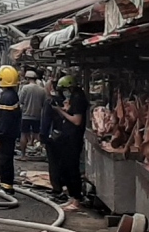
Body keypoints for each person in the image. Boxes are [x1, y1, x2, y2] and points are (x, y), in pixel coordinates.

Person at [52, 75, 88, 212]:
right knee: (66, 167)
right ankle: (73, 197)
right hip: (68, 137)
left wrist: (60, 111)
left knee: (72, 169)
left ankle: (76, 200)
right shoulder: (75, 97)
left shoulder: (78, 99)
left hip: (74, 138)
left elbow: (77, 120)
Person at [0, 65, 22, 195]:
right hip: (11, 134)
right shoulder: (12, 95)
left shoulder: (6, 96)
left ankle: (6, 186)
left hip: (6, 135)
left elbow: (4, 119)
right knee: (6, 159)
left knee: (3, 160)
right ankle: (6, 184)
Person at [40, 76, 66, 202]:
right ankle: (65, 186)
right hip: (67, 136)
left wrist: (43, 137)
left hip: (53, 137)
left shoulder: (50, 102)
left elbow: (45, 121)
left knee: (54, 163)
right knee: (64, 162)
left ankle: (57, 189)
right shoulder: (66, 100)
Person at [18, 70, 47, 160]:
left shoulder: (25, 88)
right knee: (37, 134)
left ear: (27, 78)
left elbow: (21, 101)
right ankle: (43, 153)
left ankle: (23, 155)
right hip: (37, 116)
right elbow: (44, 103)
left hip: (26, 115)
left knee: (23, 134)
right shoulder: (42, 90)